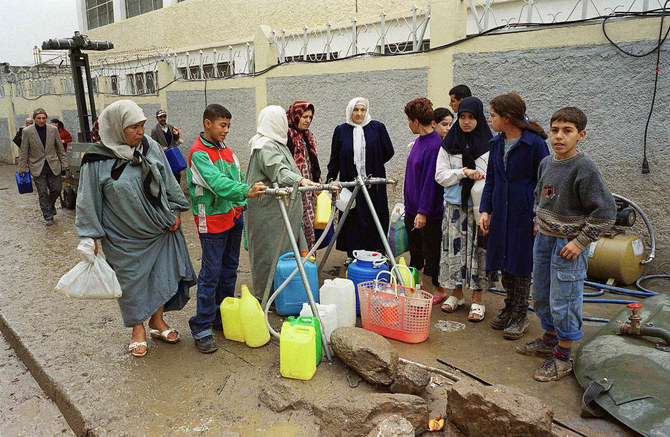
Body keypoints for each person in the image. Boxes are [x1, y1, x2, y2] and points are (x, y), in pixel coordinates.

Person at [75, 100, 196, 358]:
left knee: (163, 272)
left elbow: (167, 180)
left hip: (158, 228)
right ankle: (137, 329)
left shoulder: (150, 147)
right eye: (133, 127)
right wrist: (89, 236)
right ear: (117, 128)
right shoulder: (95, 159)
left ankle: (157, 321)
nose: (140, 131)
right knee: (131, 282)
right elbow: (87, 200)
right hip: (122, 235)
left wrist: (175, 209)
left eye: (142, 125)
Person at [517, 107, 616, 381]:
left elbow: (606, 212)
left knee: (565, 299)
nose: (559, 137)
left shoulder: (584, 168)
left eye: (567, 131)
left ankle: (563, 355)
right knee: (543, 295)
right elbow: (541, 194)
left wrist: (580, 242)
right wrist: (539, 220)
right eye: (555, 130)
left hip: (568, 247)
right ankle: (549, 338)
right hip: (544, 241)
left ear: (581, 135)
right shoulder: (547, 162)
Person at [187, 104, 266, 353]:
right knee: (211, 273)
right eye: (223, 125)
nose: (227, 130)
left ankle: (222, 314)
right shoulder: (198, 154)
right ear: (207, 123)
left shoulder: (229, 152)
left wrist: (243, 200)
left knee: (230, 269)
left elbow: (238, 179)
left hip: (232, 218)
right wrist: (246, 192)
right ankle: (201, 326)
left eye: (229, 126)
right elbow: (218, 183)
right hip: (211, 221)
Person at [479, 93, 550, 339]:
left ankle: (521, 313)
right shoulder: (495, 144)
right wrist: (485, 210)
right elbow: (491, 180)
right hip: (501, 211)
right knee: (503, 260)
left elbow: (545, 184)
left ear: (507, 118)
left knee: (521, 263)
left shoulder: (535, 144)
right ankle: (510, 305)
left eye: (493, 115)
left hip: (524, 212)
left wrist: (538, 217)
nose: (489, 119)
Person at [246, 106, 319, 299]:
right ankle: (269, 295)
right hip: (269, 214)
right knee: (270, 252)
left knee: (283, 252)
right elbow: (277, 171)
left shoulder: (276, 144)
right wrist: (300, 180)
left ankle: (283, 292)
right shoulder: (265, 146)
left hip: (279, 213)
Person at [435, 97, 491, 321]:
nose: (466, 122)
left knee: (478, 252)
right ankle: (456, 294)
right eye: (463, 117)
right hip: (455, 208)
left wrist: (477, 175)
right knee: (454, 251)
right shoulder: (449, 143)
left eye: (472, 117)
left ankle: (477, 299)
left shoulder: (489, 145)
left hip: (478, 208)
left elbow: (492, 177)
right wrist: (463, 172)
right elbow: (440, 176)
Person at [326, 97, 395, 261]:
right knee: (353, 217)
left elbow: (389, 151)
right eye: (355, 110)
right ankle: (353, 253)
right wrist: (330, 179)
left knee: (375, 216)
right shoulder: (341, 130)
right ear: (350, 111)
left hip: (373, 183)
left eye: (362, 110)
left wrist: (375, 163)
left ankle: (376, 253)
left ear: (367, 111)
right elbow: (335, 157)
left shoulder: (377, 128)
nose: (359, 113)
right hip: (350, 182)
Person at [403, 98, 447, 302]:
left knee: (432, 250)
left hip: (427, 210)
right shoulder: (419, 142)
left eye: (409, 120)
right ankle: (416, 282)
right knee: (416, 249)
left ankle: (440, 288)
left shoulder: (434, 145)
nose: (408, 124)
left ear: (416, 121)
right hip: (412, 207)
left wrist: (423, 211)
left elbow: (432, 182)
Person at [18, 108, 68, 226]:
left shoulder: (53, 129)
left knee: (56, 188)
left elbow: (60, 148)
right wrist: (22, 167)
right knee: (42, 192)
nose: (41, 120)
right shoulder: (27, 132)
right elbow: (24, 151)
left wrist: (64, 163)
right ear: (34, 119)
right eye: (39, 118)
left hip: (53, 164)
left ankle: (50, 206)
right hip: (37, 166)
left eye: (44, 118)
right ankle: (48, 216)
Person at [286, 101, 321, 249]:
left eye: (310, 117)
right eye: (304, 116)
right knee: (295, 226)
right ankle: (294, 263)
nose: (307, 120)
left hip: (309, 189)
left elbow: (313, 163)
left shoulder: (308, 136)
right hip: (294, 189)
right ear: (295, 116)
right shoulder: (286, 136)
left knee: (310, 226)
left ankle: (308, 262)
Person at [150, 109, 185, 182]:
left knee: (177, 174)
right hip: (163, 156)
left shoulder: (171, 127)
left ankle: (177, 190)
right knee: (166, 176)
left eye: (164, 116)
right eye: (160, 117)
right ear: (157, 118)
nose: (163, 118)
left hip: (172, 155)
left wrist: (176, 134)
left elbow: (176, 139)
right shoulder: (155, 130)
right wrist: (162, 148)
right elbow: (153, 144)